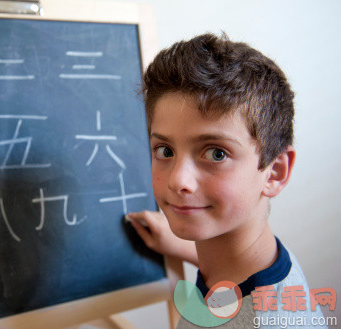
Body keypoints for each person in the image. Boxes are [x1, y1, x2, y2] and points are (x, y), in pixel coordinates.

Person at [127, 33, 327, 328]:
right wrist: (183, 248)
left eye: (217, 153)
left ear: (275, 172)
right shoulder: (251, 263)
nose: (179, 180)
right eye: (165, 150)